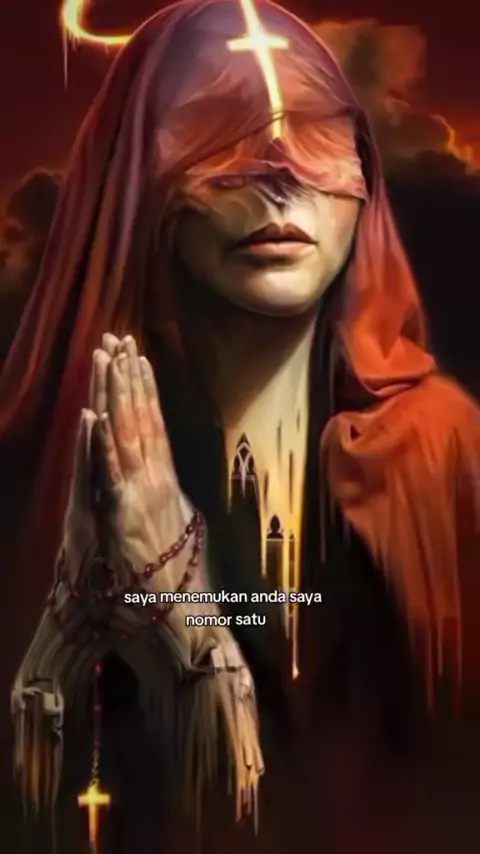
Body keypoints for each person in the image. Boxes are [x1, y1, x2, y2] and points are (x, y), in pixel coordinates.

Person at [1, 1, 479, 852]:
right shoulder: (29, 467)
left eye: (320, 134)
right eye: (214, 134)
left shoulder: (444, 452)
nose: (279, 172)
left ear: (366, 180)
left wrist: (178, 620)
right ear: (132, 181)